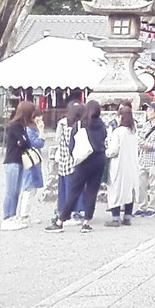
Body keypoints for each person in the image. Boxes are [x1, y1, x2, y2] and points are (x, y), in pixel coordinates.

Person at [46, 99, 108, 233]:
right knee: (92, 191)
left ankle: (61, 220)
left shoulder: (80, 125)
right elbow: (104, 139)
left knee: (74, 191)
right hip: (99, 159)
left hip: (84, 161)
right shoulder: (102, 125)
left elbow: (72, 145)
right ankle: (86, 222)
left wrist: (75, 157)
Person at [1, 101, 34, 230]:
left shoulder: (22, 126)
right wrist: (23, 142)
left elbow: (26, 142)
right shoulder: (14, 125)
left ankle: (13, 215)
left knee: (16, 191)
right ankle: (7, 217)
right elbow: (24, 142)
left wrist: (23, 141)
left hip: (19, 161)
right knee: (11, 191)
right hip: (12, 161)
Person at [106, 105, 140, 226]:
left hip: (118, 164)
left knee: (115, 189)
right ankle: (127, 216)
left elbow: (113, 150)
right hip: (131, 164)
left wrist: (107, 152)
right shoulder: (133, 131)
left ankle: (115, 217)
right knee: (129, 190)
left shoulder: (118, 132)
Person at [53, 101, 83, 222]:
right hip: (75, 160)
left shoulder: (62, 124)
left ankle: (62, 210)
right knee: (75, 187)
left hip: (63, 159)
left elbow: (57, 139)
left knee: (64, 187)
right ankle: (75, 211)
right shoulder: (79, 126)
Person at [18, 109, 46, 225]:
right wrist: (42, 131)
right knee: (29, 189)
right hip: (30, 162)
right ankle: (24, 215)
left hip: (33, 161)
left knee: (31, 189)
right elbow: (38, 143)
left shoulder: (30, 130)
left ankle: (25, 214)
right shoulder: (30, 131)